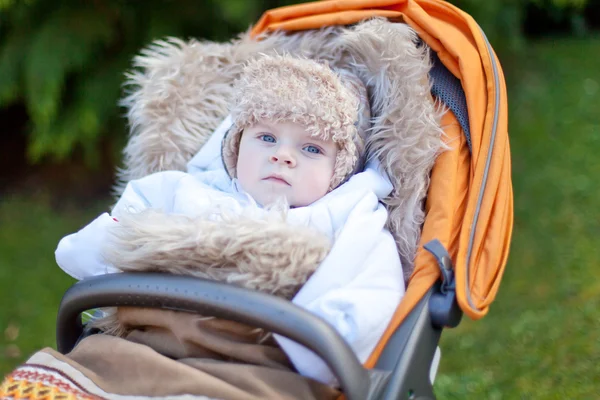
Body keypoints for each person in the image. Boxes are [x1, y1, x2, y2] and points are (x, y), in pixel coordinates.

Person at [55, 54, 405, 386]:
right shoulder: (188, 190)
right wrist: (106, 255)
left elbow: (372, 290)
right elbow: (110, 238)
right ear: (236, 145)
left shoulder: (346, 216)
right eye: (266, 138)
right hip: (144, 345)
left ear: (340, 168)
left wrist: (321, 355)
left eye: (311, 148)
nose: (282, 156)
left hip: (262, 360)